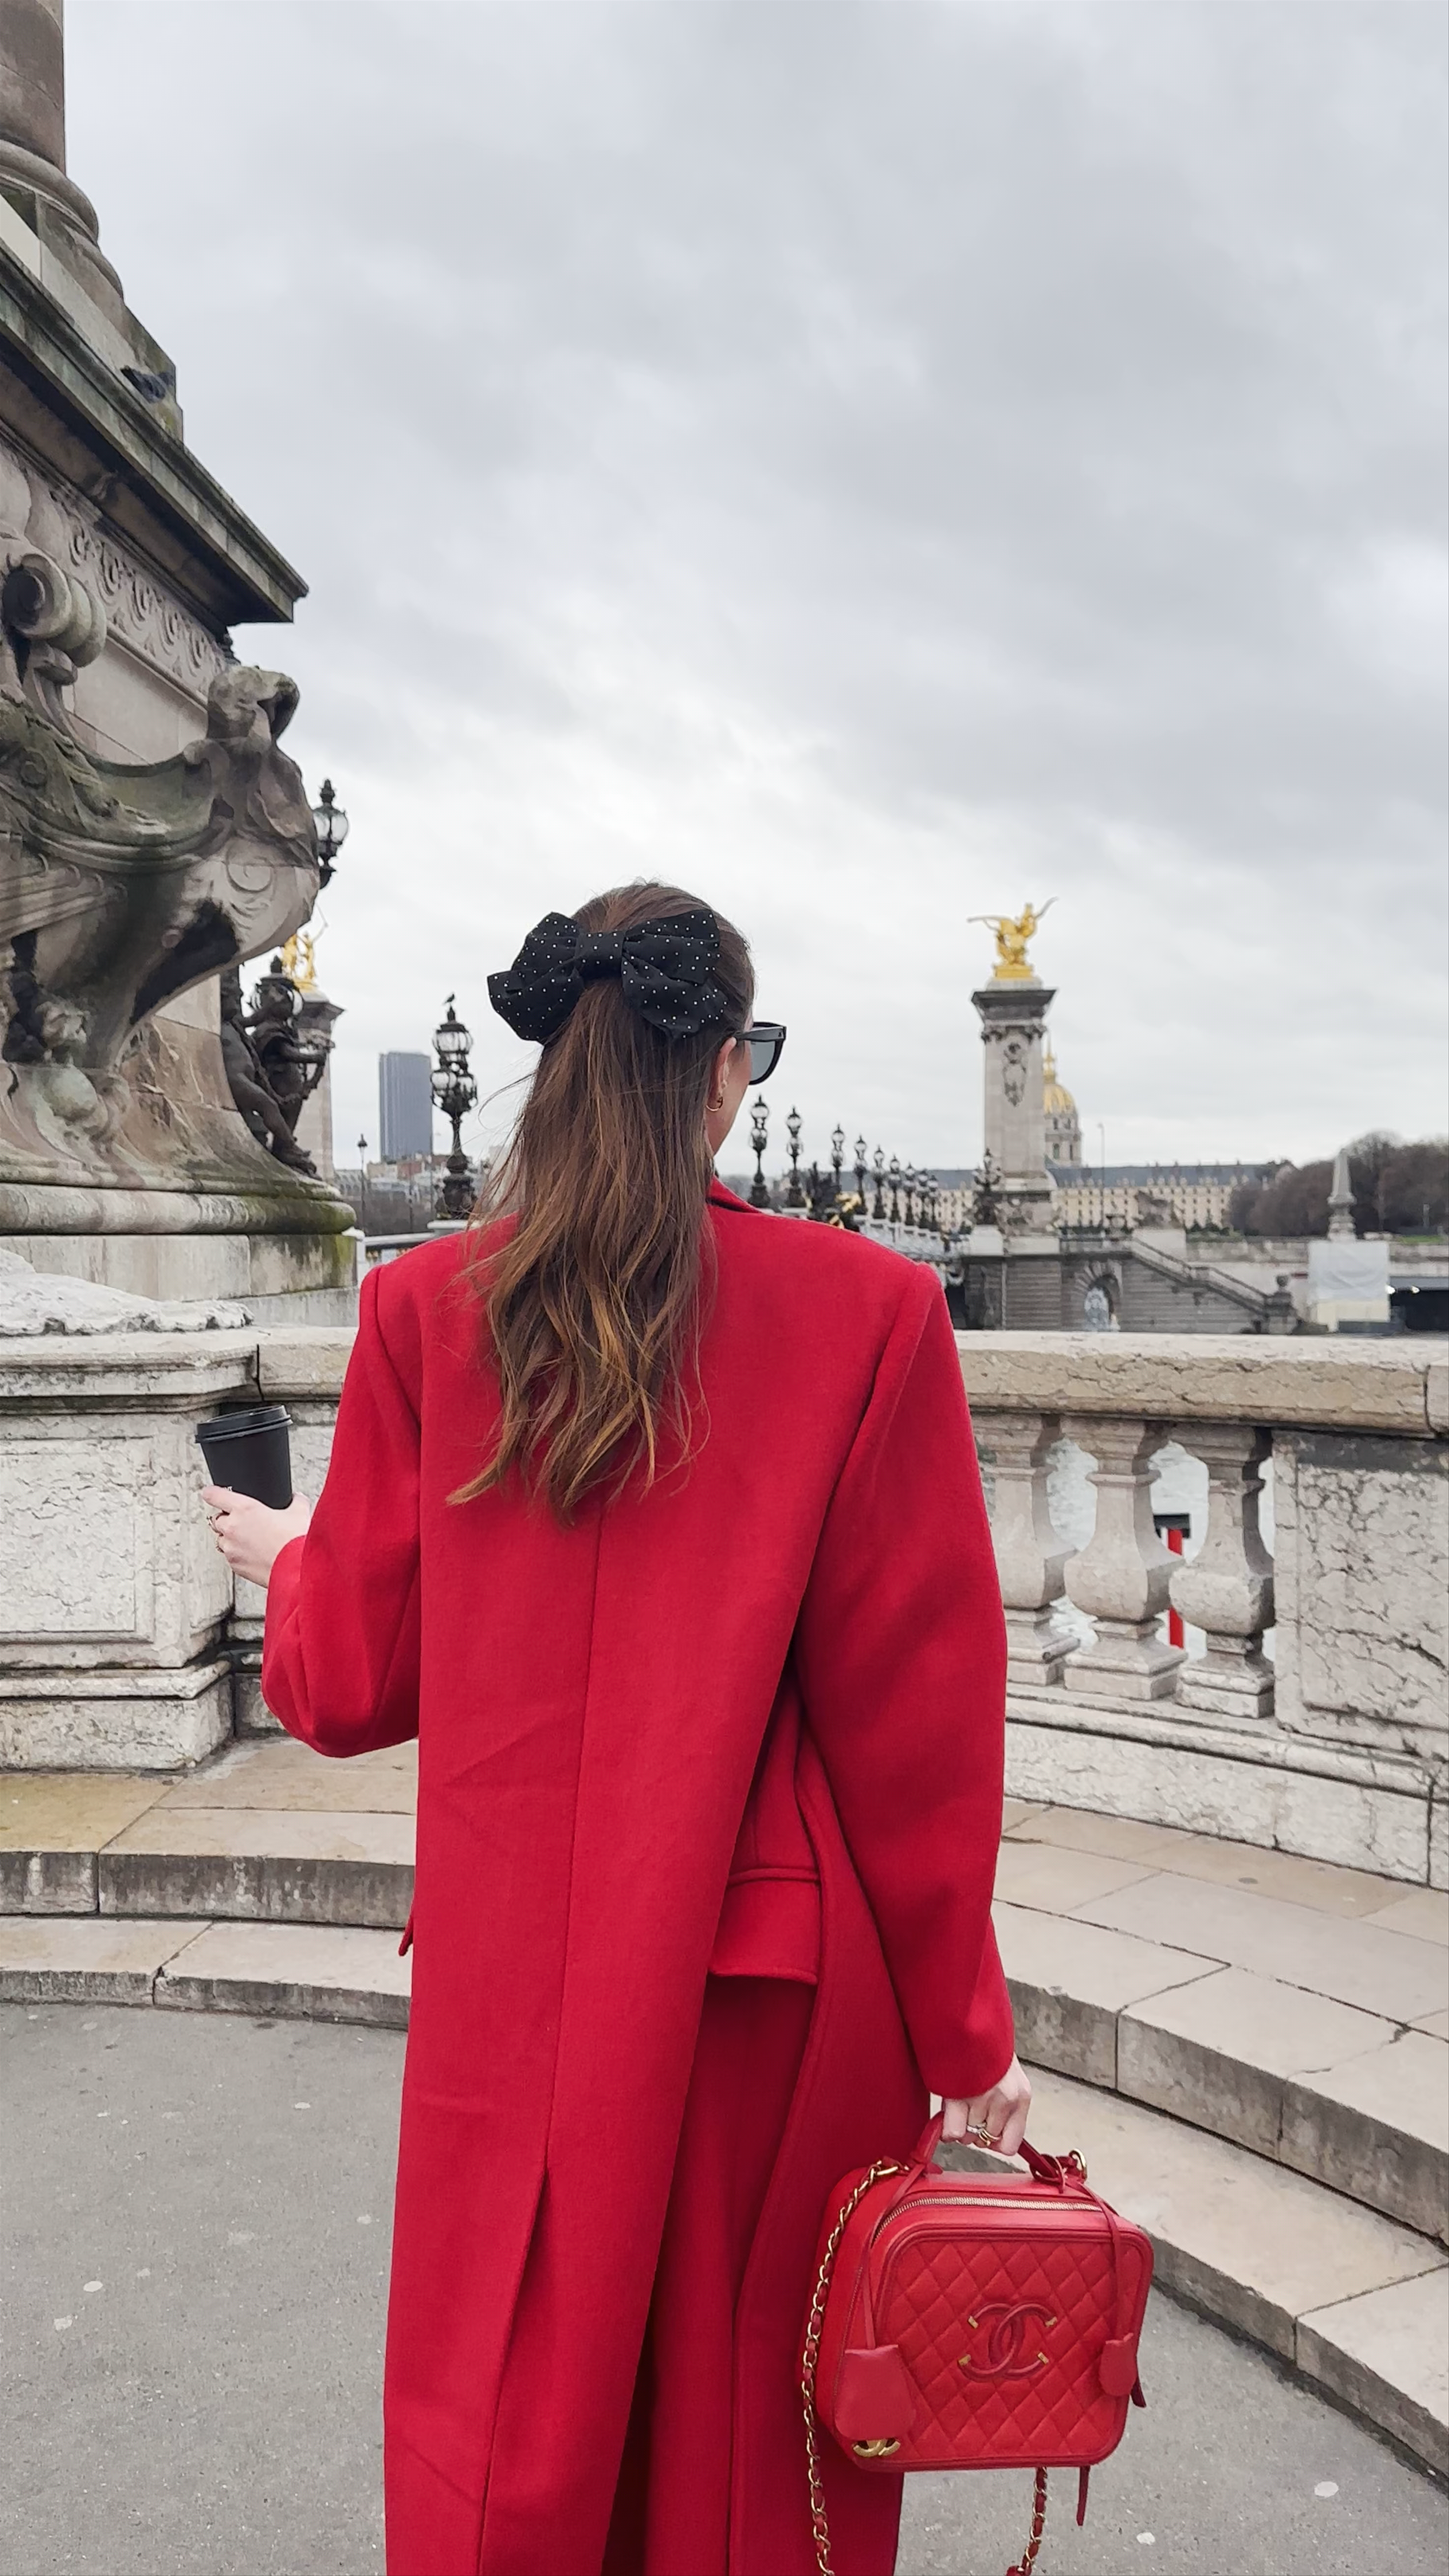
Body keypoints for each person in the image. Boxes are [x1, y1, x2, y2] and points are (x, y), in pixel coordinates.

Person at [204, 880, 1029, 2576]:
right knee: (740, 2460)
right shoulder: (866, 1316)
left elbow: (350, 1686)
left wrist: (299, 1563)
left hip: (515, 1982)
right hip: (768, 1989)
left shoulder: (427, 1309)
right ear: (725, 1070)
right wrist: (969, 2035)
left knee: (510, 2423)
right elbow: (917, 1731)